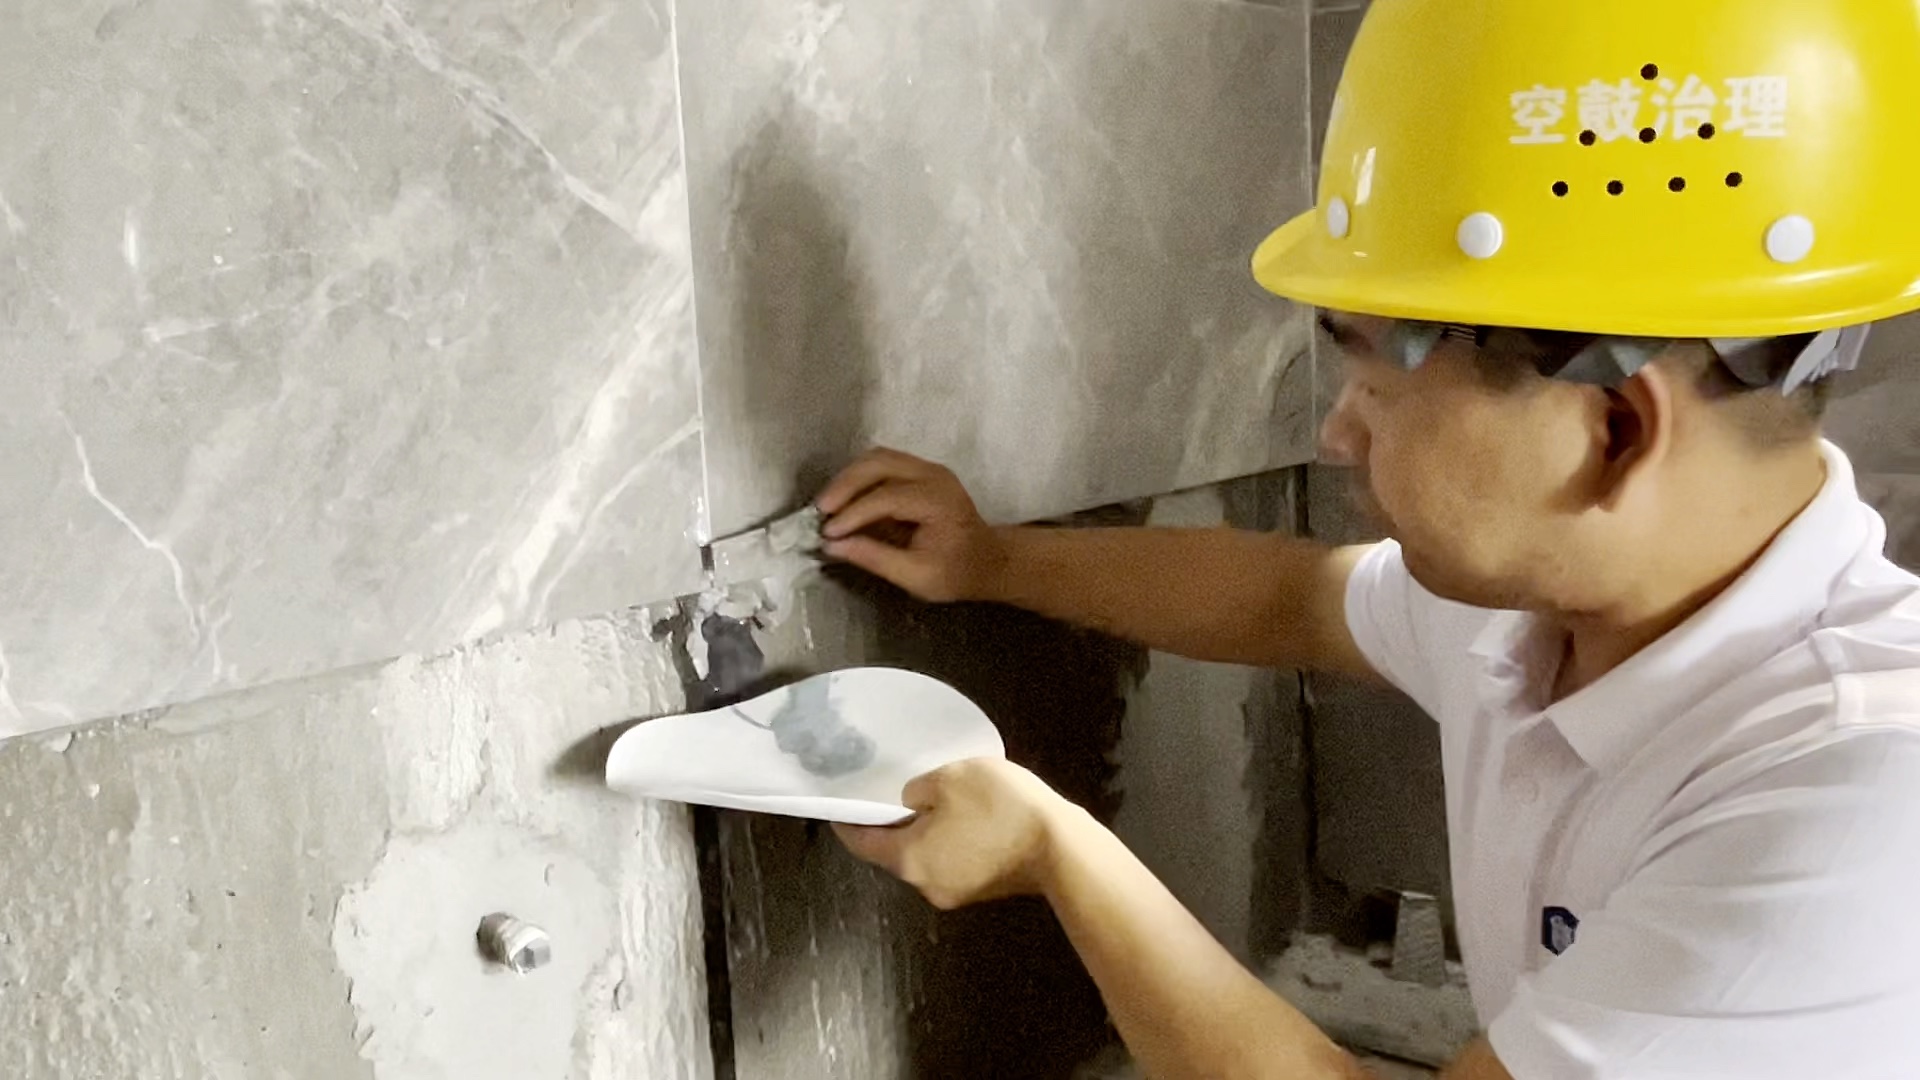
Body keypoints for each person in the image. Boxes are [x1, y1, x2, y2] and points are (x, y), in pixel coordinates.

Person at [813, 1, 1920, 1077]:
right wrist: (990, 560)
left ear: (1615, 432)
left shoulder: (1851, 813)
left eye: (1377, 389)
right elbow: (1291, 599)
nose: (1338, 435)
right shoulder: (1567, 610)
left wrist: (1061, 853)